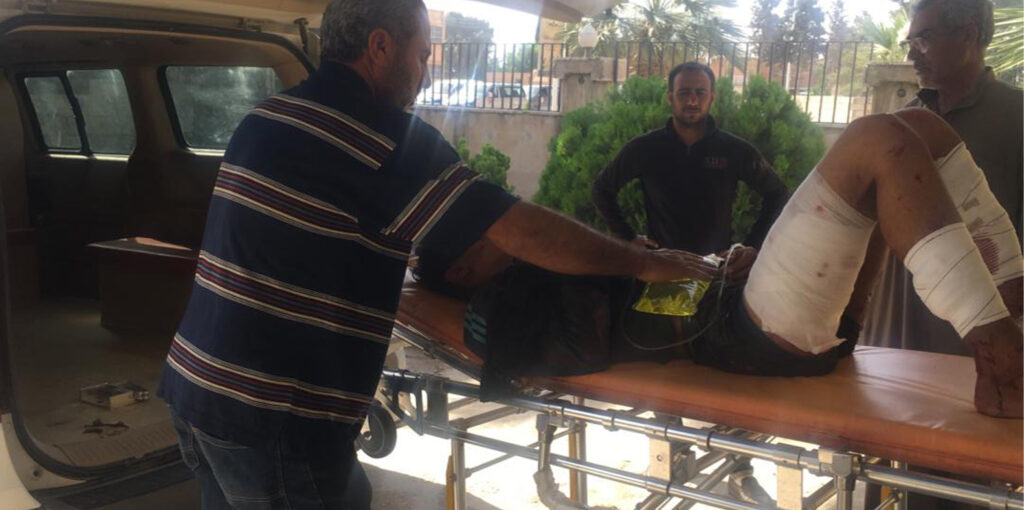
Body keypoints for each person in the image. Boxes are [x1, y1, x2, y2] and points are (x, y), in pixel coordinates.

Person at [155, 0, 718, 508]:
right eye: (423, 55)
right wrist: (643, 263)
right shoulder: (382, 138)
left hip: (197, 384)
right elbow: (520, 228)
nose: (426, 73)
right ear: (380, 46)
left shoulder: (268, 115)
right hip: (276, 416)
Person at [430, 108, 1023, 420]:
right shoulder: (493, 312)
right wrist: (627, 265)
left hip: (747, 306)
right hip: (739, 337)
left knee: (918, 127)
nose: (506, 226)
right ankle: (1004, 363)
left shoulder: (533, 267)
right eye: (488, 234)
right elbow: (577, 350)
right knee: (876, 141)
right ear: (461, 270)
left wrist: (722, 263)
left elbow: (651, 283)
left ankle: (1016, 317)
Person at [861, 0, 1023, 355]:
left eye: (924, 40)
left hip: (979, 333)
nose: (911, 55)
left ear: (968, 35)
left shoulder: (1016, 117)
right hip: (897, 322)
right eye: (910, 43)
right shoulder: (902, 123)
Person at [591, 62, 788, 254]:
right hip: (660, 266)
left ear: (712, 98)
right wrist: (627, 238)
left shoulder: (734, 150)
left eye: (700, 93)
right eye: (683, 93)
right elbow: (601, 189)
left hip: (714, 269)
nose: (692, 101)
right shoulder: (645, 148)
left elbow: (777, 193)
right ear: (670, 98)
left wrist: (752, 246)